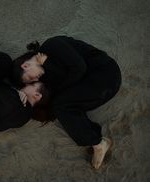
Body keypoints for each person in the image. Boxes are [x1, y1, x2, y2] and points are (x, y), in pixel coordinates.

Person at [10, 35, 122, 169]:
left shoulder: (52, 44)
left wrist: (49, 66)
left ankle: (98, 143)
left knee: (61, 105)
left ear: (26, 65)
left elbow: (79, 68)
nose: (34, 80)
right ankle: (94, 139)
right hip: (96, 89)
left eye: (29, 78)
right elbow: (64, 80)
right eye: (31, 82)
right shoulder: (44, 72)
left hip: (105, 75)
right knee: (61, 105)